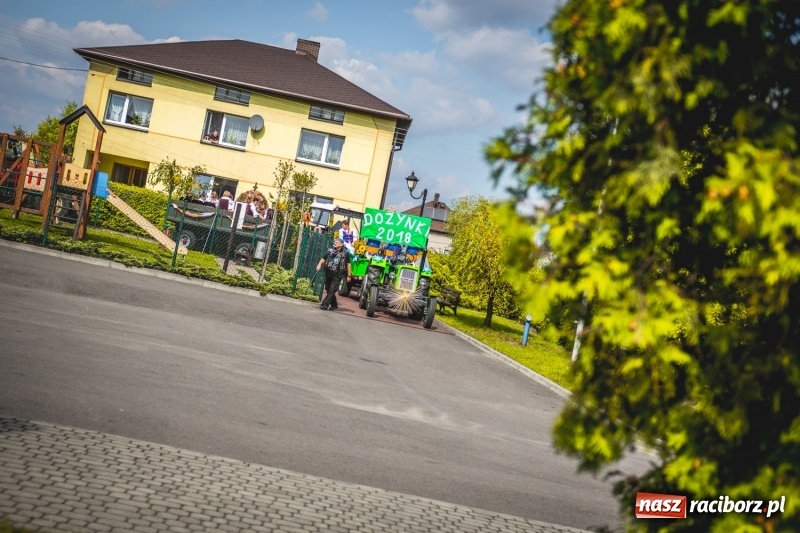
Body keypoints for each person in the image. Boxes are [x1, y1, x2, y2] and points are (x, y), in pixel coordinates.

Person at [316, 238, 351, 310]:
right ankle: (334, 305)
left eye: (337, 242)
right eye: (335, 242)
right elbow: (323, 258)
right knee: (328, 288)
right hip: (329, 272)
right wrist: (319, 264)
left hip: (338, 274)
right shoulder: (330, 251)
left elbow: (348, 264)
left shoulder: (346, 253)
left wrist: (349, 275)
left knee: (332, 289)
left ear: (341, 244)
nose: (335, 243)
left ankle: (324, 305)